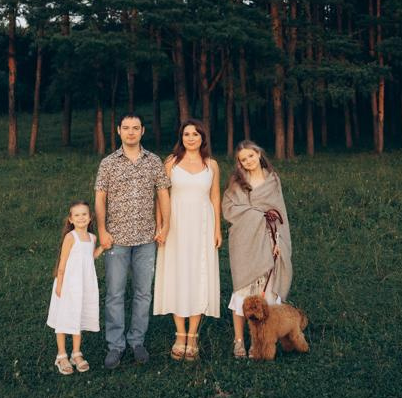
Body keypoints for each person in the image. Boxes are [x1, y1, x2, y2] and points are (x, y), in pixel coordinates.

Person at [95, 113, 171, 370]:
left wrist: (164, 226)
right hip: (116, 238)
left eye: (135, 128)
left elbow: (163, 195)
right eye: (126, 128)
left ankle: (137, 341)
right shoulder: (108, 163)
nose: (130, 132)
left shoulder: (153, 162)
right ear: (118, 131)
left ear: (142, 131)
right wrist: (102, 231)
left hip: (146, 238)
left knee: (143, 293)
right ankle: (115, 346)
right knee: (115, 293)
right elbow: (99, 199)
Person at [153, 118, 221, 361]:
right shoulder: (171, 162)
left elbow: (215, 198)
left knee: (198, 275)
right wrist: (161, 225)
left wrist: (218, 230)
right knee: (177, 274)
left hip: (202, 225)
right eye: (186, 134)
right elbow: (161, 197)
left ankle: (193, 336)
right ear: (181, 137)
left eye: (195, 134)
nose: (190, 138)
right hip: (176, 225)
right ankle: (179, 334)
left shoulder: (211, 164)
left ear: (202, 137)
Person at [221, 140, 293, 359]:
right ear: (239, 163)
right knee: (243, 291)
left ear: (259, 153)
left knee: (268, 293)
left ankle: (261, 341)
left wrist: (278, 242)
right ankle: (239, 341)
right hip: (244, 242)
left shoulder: (273, 180)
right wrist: (257, 214)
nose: (248, 161)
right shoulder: (237, 182)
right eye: (243, 159)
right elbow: (229, 208)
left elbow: (280, 213)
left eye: (251, 156)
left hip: (270, 239)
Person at [47, 200, 103, 374]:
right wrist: (60, 285)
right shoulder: (70, 237)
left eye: (84, 214)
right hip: (68, 285)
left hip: (84, 284)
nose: (81, 218)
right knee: (65, 317)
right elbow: (63, 262)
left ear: (90, 217)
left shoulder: (92, 238)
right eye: (76, 215)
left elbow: (89, 257)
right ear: (70, 219)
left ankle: (76, 353)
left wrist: (103, 247)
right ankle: (61, 355)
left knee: (78, 315)